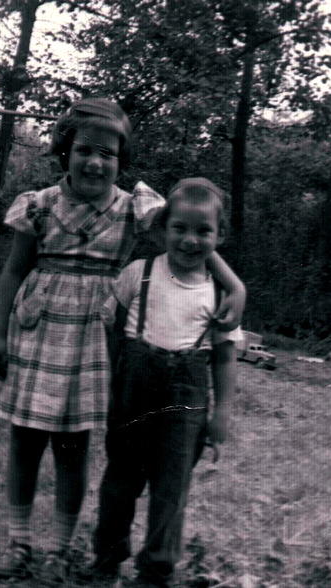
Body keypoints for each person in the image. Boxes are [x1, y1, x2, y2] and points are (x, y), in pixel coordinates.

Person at [0, 99, 245, 584]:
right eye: (85, 150)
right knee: (24, 440)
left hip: (96, 340)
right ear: (66, 152)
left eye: (108, 154)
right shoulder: (38, 205)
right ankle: (18, 541)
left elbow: (188, 236)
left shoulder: (134, 206)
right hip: (37, 332)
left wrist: (235, 285)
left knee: (73, 445)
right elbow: (13, 271)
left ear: (121, 161)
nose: (96, 162)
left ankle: (61, 548)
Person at [86, 177, 241, 588]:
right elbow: (110, 324)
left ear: (219, 236)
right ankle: (106, 558)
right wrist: (118, 374)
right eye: (180, 228)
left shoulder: (218, 294)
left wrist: (222, 412)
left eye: (203, 231)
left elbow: (225, 356)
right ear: (163, 228)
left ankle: (156, 570)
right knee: (119, 482)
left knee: (171, 490)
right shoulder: (140, 274)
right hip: (133, 396)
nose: (190, 240)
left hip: (185, 405)